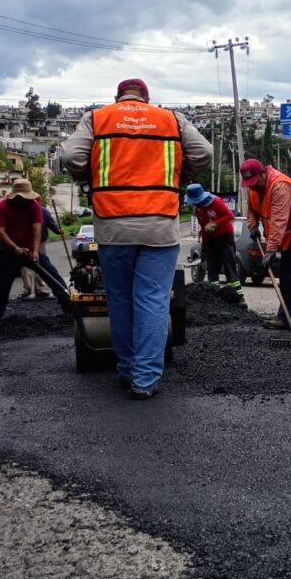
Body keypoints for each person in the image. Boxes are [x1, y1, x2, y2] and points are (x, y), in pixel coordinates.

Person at [60, 79, 212, 399]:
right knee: (153, 301)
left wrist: (87, 176)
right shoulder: (171, 119)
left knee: (119, 301)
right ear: (147, 97)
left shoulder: (97, 118)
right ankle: (145, 380)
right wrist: (180, 176)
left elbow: (71, 156)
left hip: (113, 225)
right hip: (159, 225)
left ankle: (128, 368)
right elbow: (204, 152)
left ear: (118, 97)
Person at [239, 159, 291, 330]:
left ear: (263, 173)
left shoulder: (280, 186)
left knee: (290, 275)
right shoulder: (254, 188)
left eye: (255, 182)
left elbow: (279, 220)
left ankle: (286, 318)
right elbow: (252, 209)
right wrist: (253, 226)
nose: (252, 187)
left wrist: (271, 249)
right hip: (287, 233)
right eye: (249, 184)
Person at [0, 178, 71, 317]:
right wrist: (16, 249)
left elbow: (37, 229)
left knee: (52, 275)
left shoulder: (35, 206)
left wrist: (35, 251)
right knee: (2, 284)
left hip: (31, 250)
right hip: (9, 251)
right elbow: (0, 232)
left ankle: (68, 305)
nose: (25, 201)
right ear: (15, 197)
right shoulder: (1, 207)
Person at [185, 183, 244, 301]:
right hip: (211, 239)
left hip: (225, 237)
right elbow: (204, 228)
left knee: (229, 265)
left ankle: (237, 297)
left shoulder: (216, 201)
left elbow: (229, 215)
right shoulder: (198, 209)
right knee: (212, 268)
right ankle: (214, 297)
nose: (195, 204)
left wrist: (216, 223)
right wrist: (204, 246)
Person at [20, 205, 63, 298]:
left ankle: (27, 289)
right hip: (39, 241)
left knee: (25, 264)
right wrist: (59, 231)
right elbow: (51, 224)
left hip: (24, 241)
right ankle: (39, 289)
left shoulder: (21, 209)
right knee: (39, 264)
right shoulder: (42, 210)